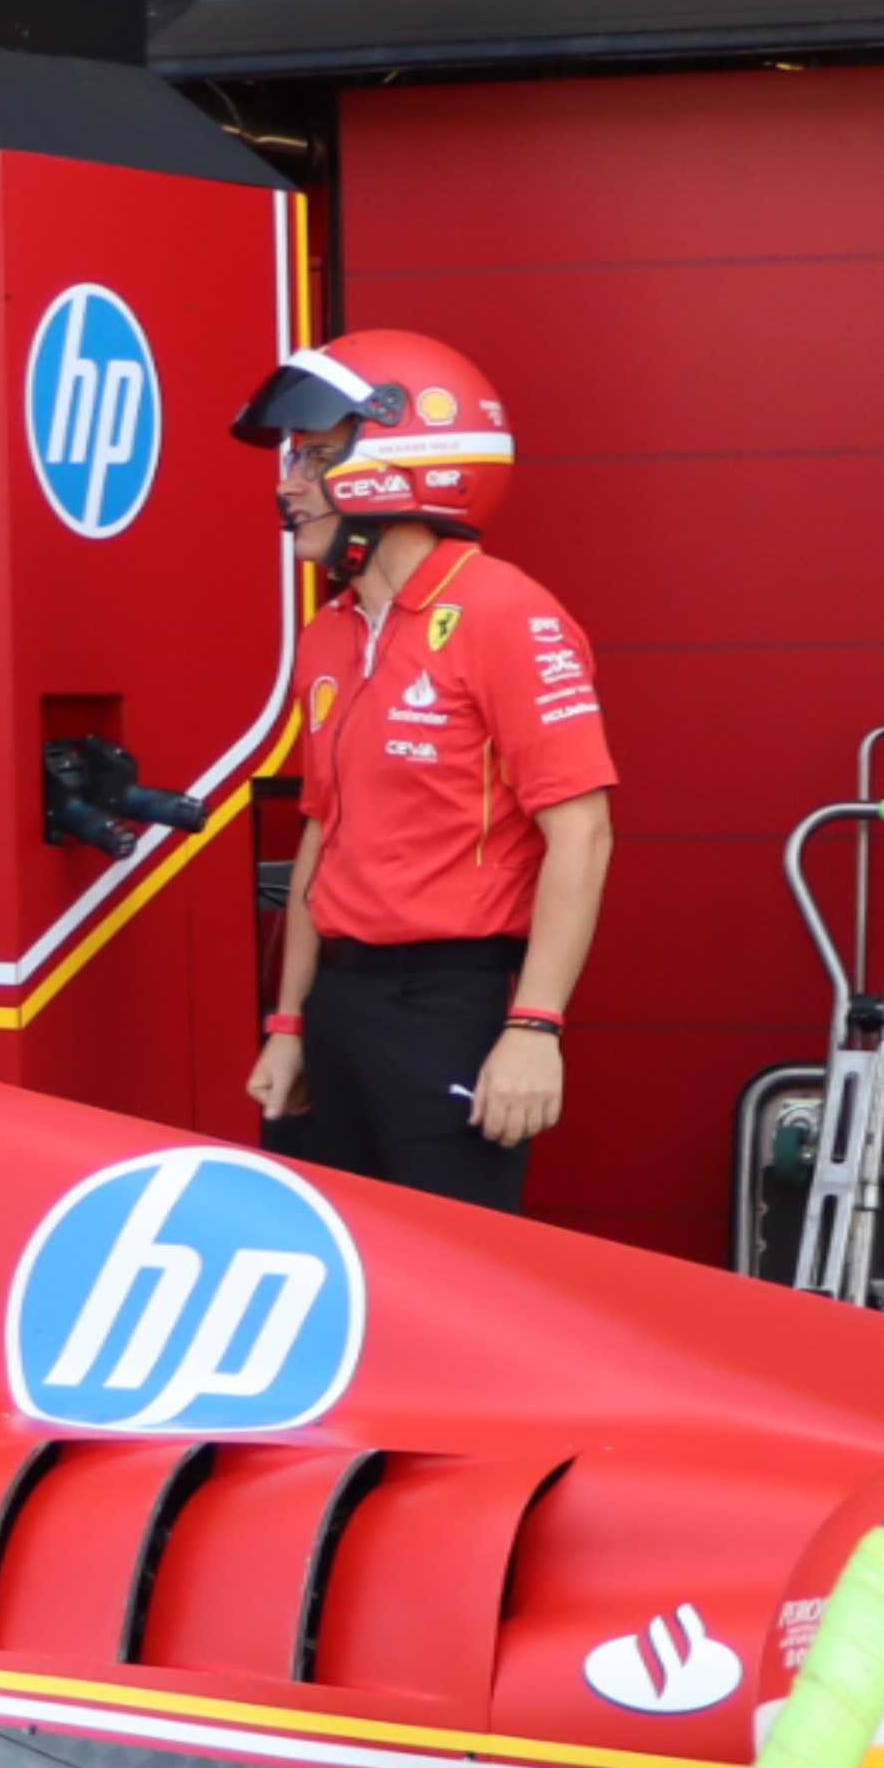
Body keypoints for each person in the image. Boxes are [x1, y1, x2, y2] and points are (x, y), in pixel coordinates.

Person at [241, 331, 613, 1211]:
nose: (289, 484)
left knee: (456, 1278)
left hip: (451, 1004)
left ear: (402, 464)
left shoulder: (504, 612)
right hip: (337, 1003)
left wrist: (535, 1027)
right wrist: (288, 1026)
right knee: (341, 1276)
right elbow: (319, 837)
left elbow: (582, 833)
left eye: (318, 457)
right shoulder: (330, 631)